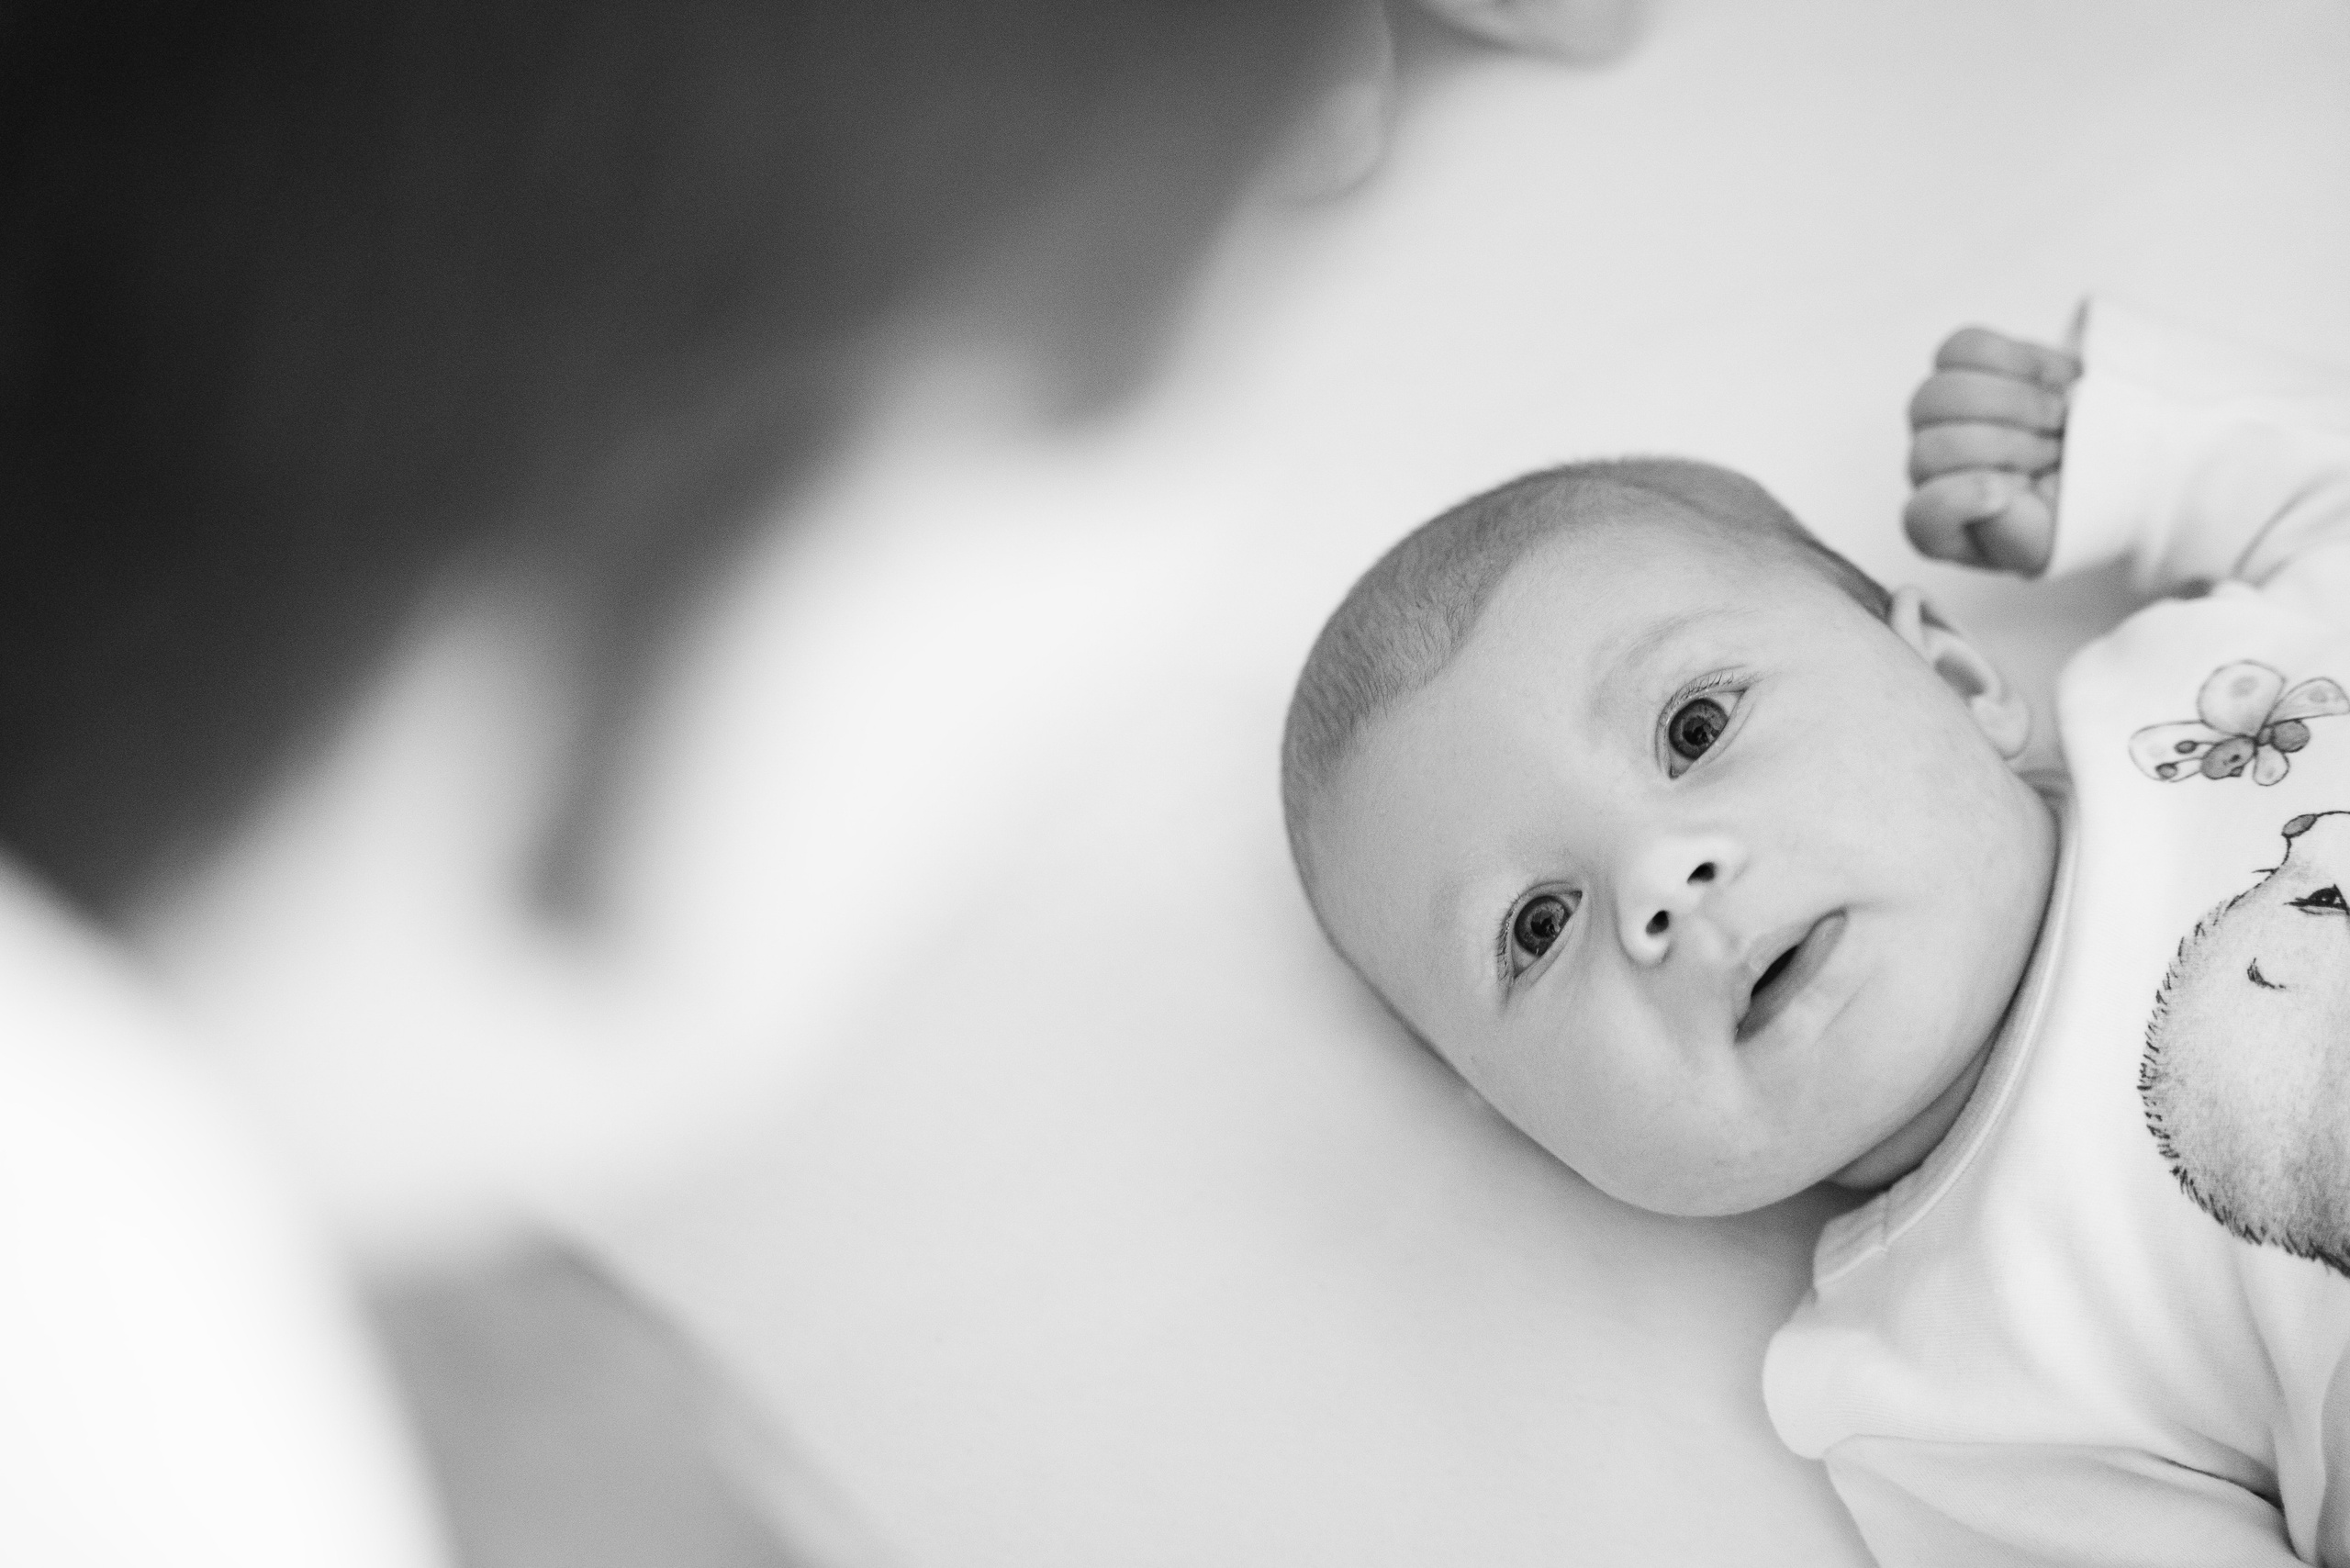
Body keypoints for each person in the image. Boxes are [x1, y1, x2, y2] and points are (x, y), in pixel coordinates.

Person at [1280, 297, 2350, 1562]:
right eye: (1537, 926)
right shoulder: (1940, 1392)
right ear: (1528, 1126)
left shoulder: (2211, 681)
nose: (1659, 886)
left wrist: (2140, 449)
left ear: (1955, 677)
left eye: (1695, 728)